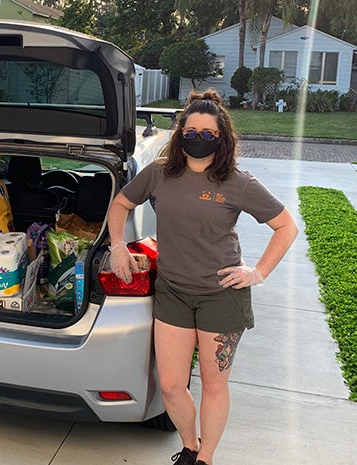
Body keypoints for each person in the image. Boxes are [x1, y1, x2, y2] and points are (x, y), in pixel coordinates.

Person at [107, 89, 298, 465]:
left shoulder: (237, 182)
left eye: (207, 133)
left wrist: (257, 272)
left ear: (222, 139)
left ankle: (205, 457)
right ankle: (190, 446)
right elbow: (121, 203)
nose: (197, 137)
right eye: (190, 129)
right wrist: (117, 246)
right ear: (180, 133)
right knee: (173, 386)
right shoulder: (161, 172)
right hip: (173, 293)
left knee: (213, 384)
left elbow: (286, 226)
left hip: (221, 297)